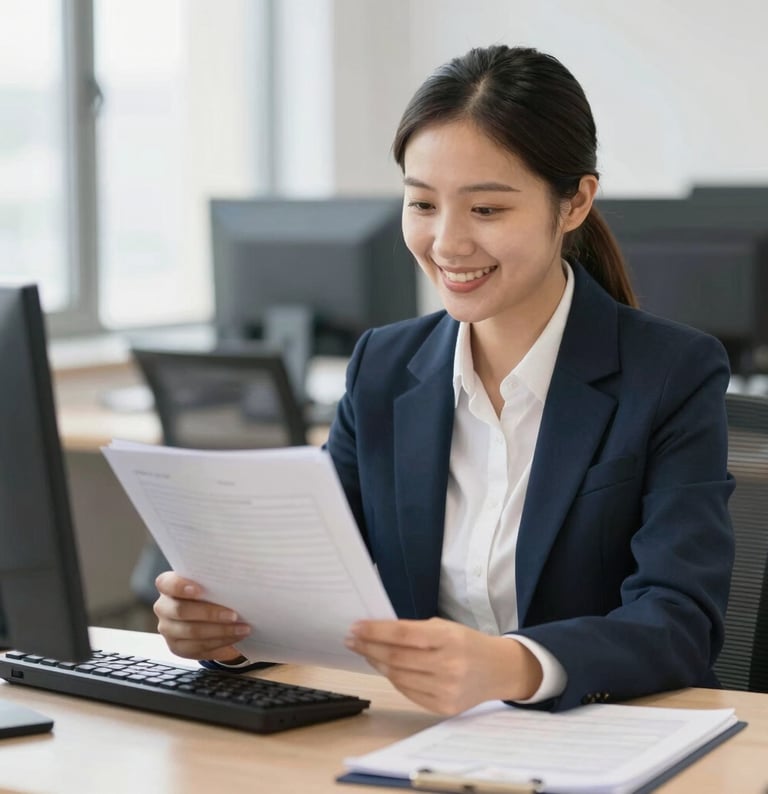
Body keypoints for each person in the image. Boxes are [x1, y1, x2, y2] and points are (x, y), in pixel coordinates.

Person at [154, 45, 734, 714]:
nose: (447, 243)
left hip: (607, 739)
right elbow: (310, 577)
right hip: (416, 738)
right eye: (423, 204)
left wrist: (514, 666)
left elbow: (679, 622)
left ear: (574, 203)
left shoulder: (671, 374)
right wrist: (228, 631)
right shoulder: (384, 367)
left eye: (486, 210)